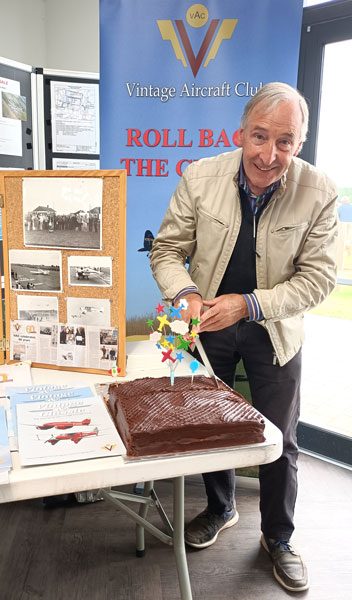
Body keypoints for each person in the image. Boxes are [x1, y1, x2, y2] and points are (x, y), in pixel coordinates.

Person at [149, 82, 338, 593]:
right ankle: (221, 507)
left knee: (281, 439)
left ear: (300, 143)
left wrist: (250, 303)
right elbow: (166, 251)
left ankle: (279, 537)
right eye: (259, 136)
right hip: (207, 324)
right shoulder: (199, 176)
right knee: (212, 427)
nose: (269, 154)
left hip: (274, 330)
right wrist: (185, 293)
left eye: (285, 141)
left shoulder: (321, 192)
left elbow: (317, 279)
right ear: (241, 132)